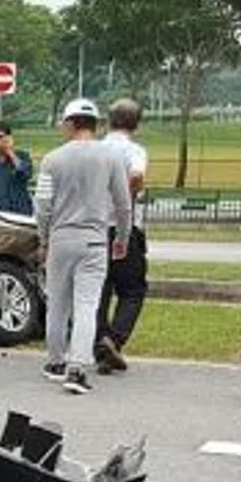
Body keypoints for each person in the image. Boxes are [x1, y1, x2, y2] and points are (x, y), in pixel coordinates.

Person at [34, 98, 131, 395]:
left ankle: (55, 361)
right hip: (94, 239)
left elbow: (42, 205)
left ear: (70, 123)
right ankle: (78, 368)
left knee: (57, 304)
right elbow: (123, 204)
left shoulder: (52, 159)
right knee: (87, 305)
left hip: (61, 238)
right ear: (94, 124)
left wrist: (44, 239)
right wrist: (122, 238)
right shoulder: (111, 158)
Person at [93, 97, 149, 374]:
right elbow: (137, 176)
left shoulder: (95, 150)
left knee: (100, 289)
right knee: (132, 290)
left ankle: (100, 342)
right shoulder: (134, 150)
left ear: (108, 121)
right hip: (125, 228)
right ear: (136, 124)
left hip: (94, 227)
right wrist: (123, 199)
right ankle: (114, 338)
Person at [0, 121, 34, 214]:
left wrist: (10, 152)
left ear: (9, 137)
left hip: (22, 211)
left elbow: (26, 174)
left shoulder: (23, 156)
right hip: (1, 212)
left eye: (1, 137)